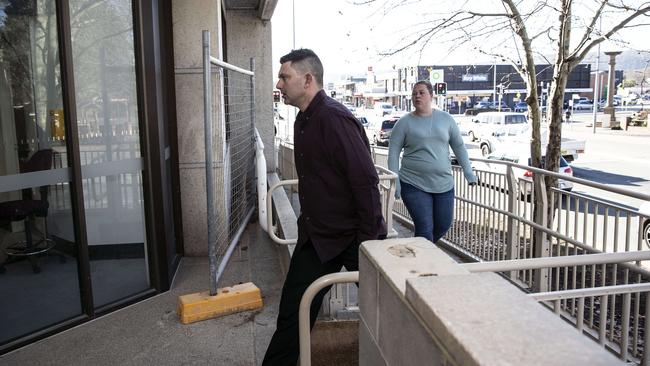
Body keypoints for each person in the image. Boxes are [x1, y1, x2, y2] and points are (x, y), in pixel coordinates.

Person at [262, 49, 386, 366]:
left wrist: (368, 243)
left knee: (386, 313)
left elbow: (365, 183)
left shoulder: (334, 119)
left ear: (307, 79)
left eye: (284, 77)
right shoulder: (303, 120)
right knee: (293, 313)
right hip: (317, 238)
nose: (279, 83)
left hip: (355, 239)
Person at [387, 80, 477, 243]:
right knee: (425, 228)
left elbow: (459, 146)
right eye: (414, 94)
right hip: (413, 183)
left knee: (443, 225)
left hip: (444, 184)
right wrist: (396, 181)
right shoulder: (404, 123)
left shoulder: (446, 119)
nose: (417, 96)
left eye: (421, 92)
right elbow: (393, 153)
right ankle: (424, 264)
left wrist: (468, 172)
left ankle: (419, 253)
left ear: (431, 96)